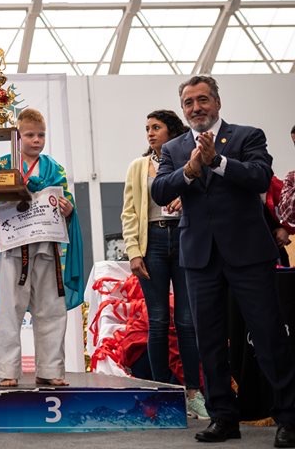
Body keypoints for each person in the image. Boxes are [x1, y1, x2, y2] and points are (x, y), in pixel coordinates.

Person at [151, 75, 295, 447]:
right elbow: (160, 190)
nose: (196, 107)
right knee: (210, 341)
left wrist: (217, 161)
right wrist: (190, 170)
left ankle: (289, 418)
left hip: (249, 255)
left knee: (268, 336)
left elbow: (260, 176)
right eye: (189, 102)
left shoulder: (247, 136)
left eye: (203, 99)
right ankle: (223, 418)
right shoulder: (174, 148)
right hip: (199, 258)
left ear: (217, 102)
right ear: (183, 108)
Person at [0, 108, 84, 387]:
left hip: (47, 246)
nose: (36, 140)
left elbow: (67, 201)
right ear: (17, 137)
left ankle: (50, 369)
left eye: (41, 135)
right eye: (30, 135)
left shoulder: (54, 169)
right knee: (11, 309)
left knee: (51, 308)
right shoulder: (2, 166)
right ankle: (8, 370)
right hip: (12, 247)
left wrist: (69, 209)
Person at [121, 110, 208, 419]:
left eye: (156, 127)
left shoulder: (192, 160)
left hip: (185, 238)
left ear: (172, 131)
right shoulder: (138, 166)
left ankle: (194, 393)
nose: (150, 133)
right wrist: (134, 252)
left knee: (186, 322)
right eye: (147, 128)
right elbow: (129, 212)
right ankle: (161, 394)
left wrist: (186, 198)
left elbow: (206, 196)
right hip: (152, 242)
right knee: (157, 321)